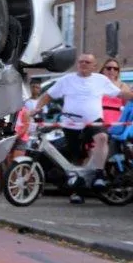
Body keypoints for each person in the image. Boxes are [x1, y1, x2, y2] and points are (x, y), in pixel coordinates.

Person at [34, 52, 133, 203]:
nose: (83, 64)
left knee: (102, 138)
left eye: (87, 62)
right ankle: (77, 192)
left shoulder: (101, 80)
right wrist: (36, 109)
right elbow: (48, 95)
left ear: (94, 66)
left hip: (94, 121)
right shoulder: (66, 80)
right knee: (77, 157)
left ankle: (99, 175)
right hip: (71, 124)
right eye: (81, 62)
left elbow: (120, 94)